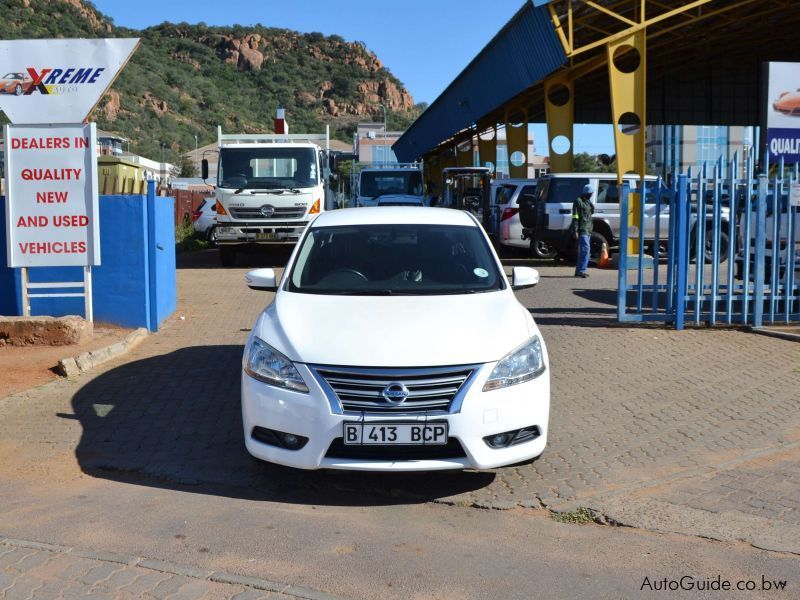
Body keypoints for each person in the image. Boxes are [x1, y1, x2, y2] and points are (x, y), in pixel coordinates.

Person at [571, 183, 594, 278]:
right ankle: (581, 270)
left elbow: (590, 212)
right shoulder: (578, 201)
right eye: (591, 193)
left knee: (583, 251)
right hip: (582, 229)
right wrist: (575, 230)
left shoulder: (588, 202)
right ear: (588, 193)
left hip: (588, 230)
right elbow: (575, 217)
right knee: (586, 251)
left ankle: (579, 271)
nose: (592, 194)